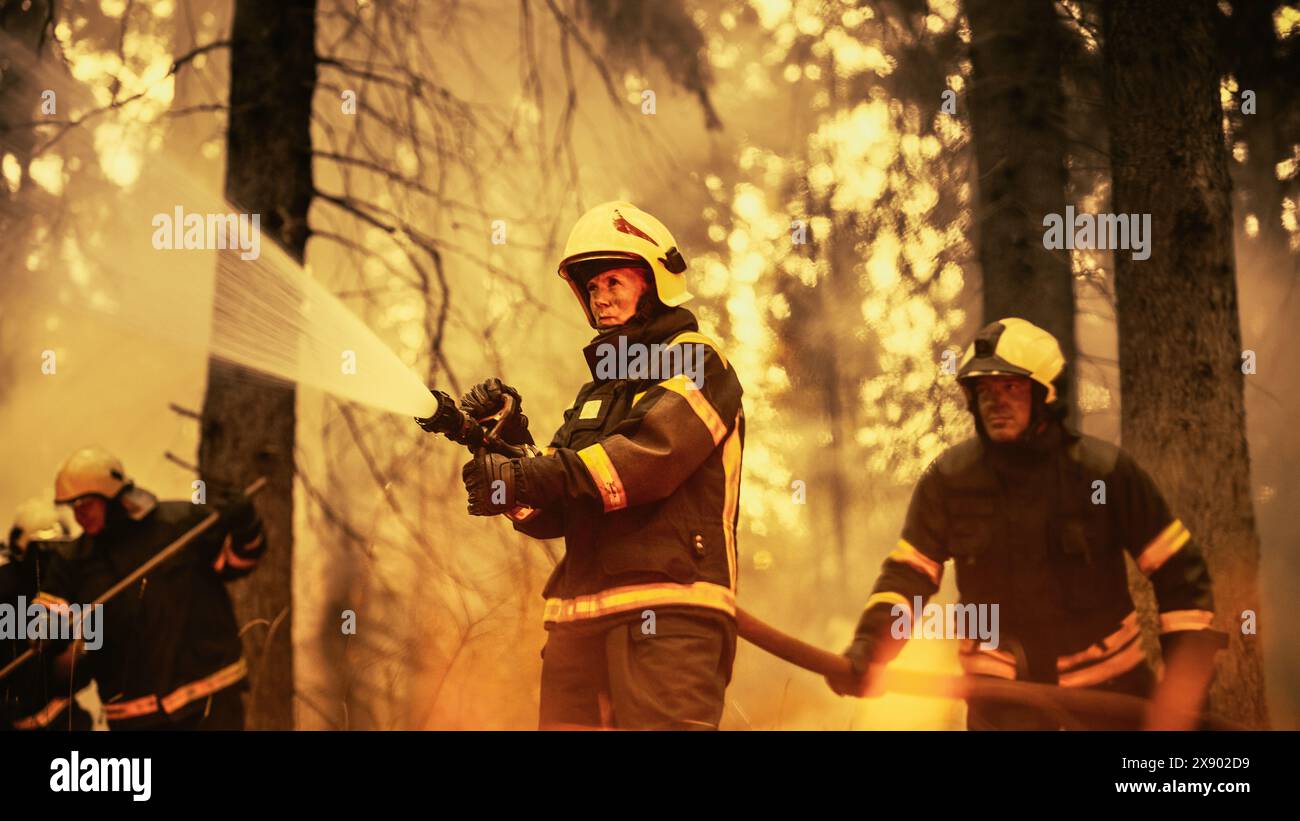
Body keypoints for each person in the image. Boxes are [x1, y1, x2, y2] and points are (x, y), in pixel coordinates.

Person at [827, 318, 1225, 730]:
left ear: (1045, 394)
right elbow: (909, 576)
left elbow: (1179, 572)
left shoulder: (1104, 474)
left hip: (1110, 697)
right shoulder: (949, 481)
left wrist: (1185, 687)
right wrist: (869, 648)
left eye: (1010, 387)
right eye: (984, 391)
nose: (994, 402)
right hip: (1002, 704)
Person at [456, 201, 745, 729]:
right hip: (578, 624)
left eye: (614, 281)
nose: (601, 298)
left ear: (655, 283)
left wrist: (530, 475)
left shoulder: (699, 361)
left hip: (669, 617)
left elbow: (649, 461)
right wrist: (506, 450)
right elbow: (555, 508)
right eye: (592, 289)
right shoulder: (597, 393)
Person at [39, 447, 265, 730]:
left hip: (209, 701)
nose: (79, 516)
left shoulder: (180, 524)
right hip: (136, 719)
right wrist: (49, 633)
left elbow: (239, 564)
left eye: (85, 504)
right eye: (73, 508)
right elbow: (46, 614)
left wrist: (246, 526)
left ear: (110, 495)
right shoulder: (73, 560)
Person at [1, 500, 94, 731]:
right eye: (43, 552)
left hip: (56, 713)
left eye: (58, 551)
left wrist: (79, 646)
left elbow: (77, 671)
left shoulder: (71, 589)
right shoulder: (6, 590)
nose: (50, 561)